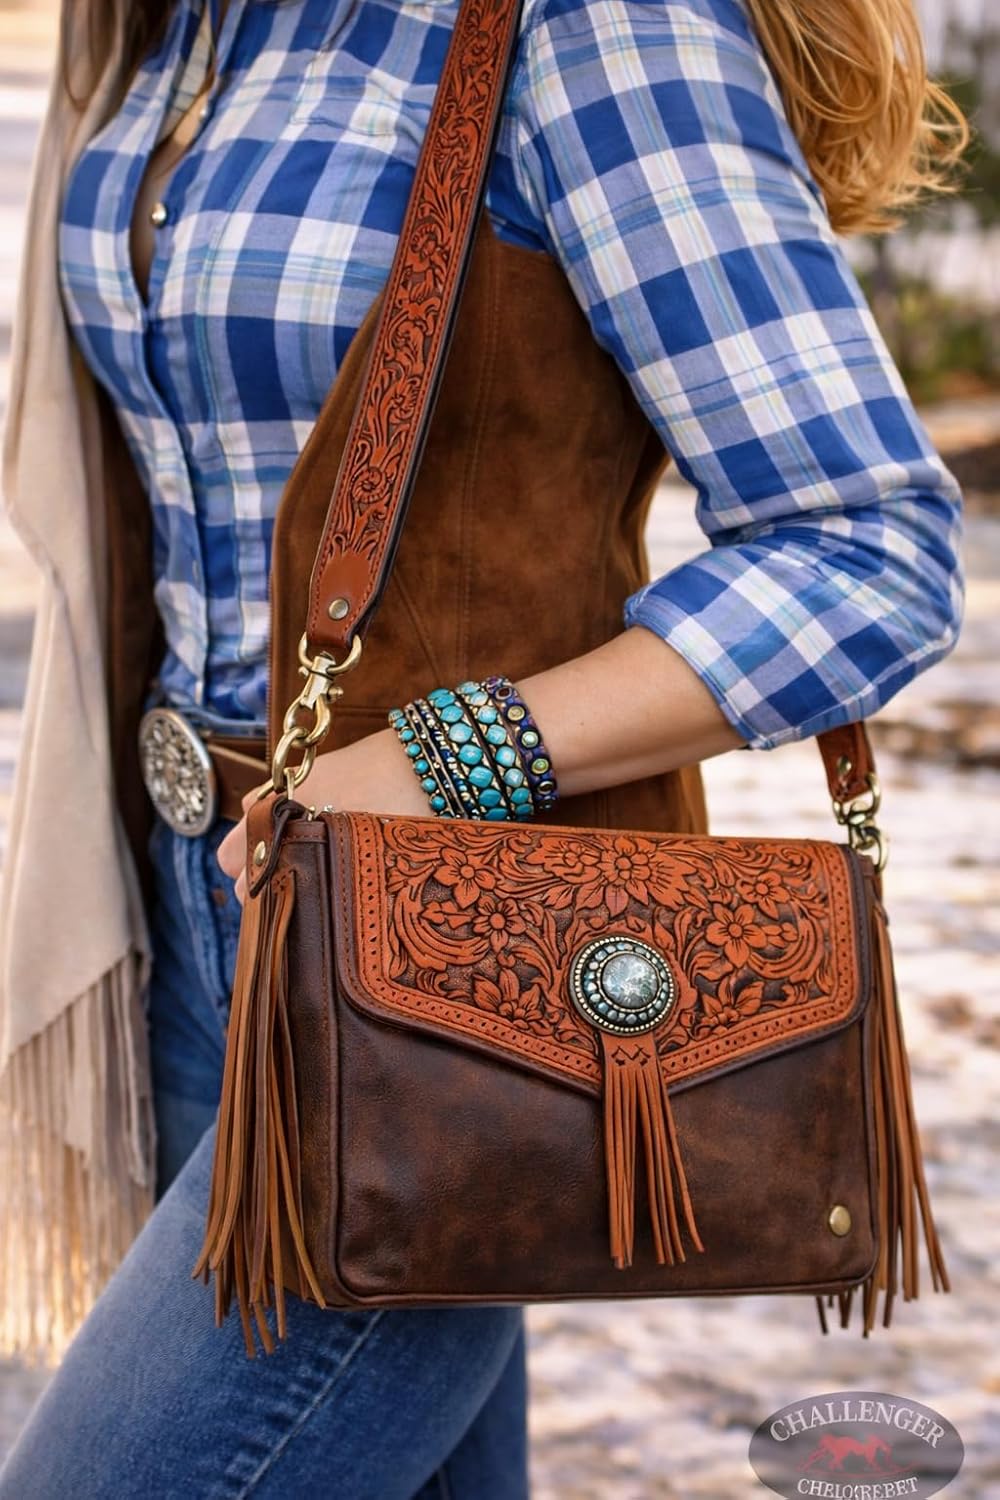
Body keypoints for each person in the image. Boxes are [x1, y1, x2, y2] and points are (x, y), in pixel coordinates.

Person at [0, 0, 967, 1493]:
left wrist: (445, 758)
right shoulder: (167, 26)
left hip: (454, 976)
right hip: (192, 914)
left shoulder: (593, 28)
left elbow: (869, 547)